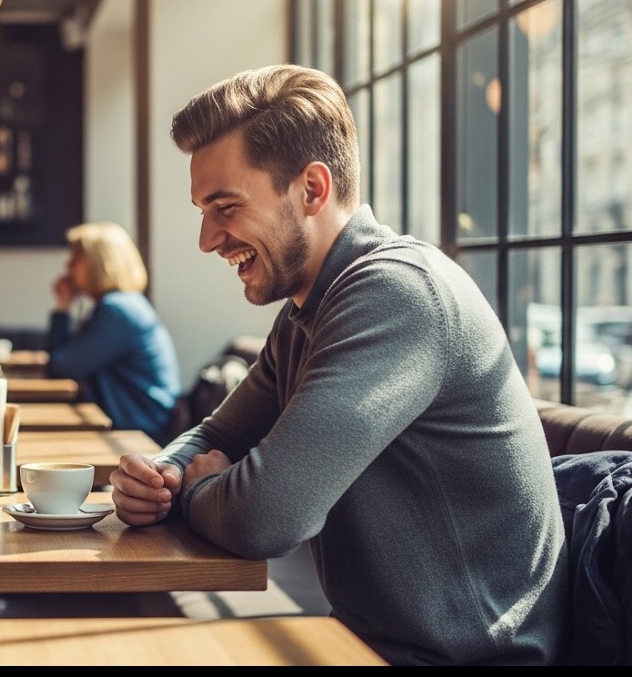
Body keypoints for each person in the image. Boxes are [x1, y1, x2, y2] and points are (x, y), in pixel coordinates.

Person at [109, 65, 569, 665]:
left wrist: (193, 492)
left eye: (225, 207)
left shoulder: (395, 294)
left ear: (312, 189)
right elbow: (217, 435)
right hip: (371, 645)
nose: (207, 239)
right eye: (203, 210)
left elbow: (265, 518)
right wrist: (159, 477)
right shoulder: (311, 310)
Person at [46, 221, 182, 441]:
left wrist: (62, 308)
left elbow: (62, 368)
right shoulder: (125, 303)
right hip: (143, 418)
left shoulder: (116, 310)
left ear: (97, 263)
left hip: (141, 427)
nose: (68, 268)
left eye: (75, 259)